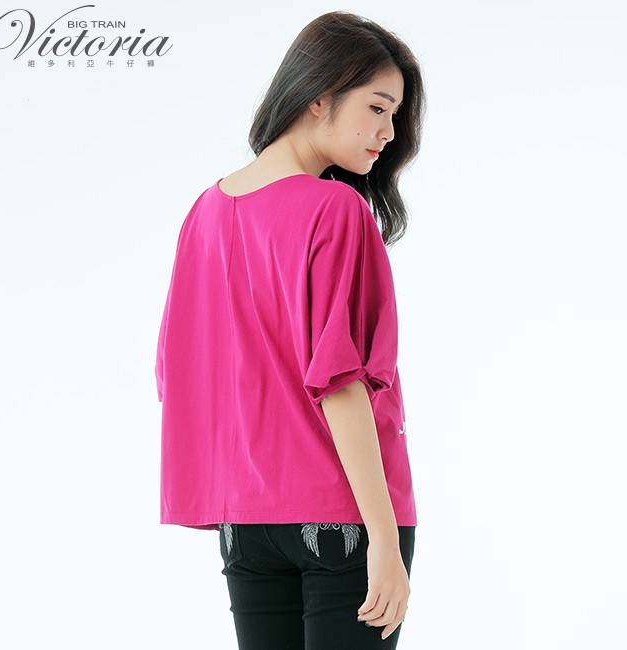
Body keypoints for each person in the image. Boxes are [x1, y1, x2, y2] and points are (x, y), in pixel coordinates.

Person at [154, 10, 426, 649]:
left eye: (395, 115)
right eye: (377, 108)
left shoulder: (206, 211)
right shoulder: (335, 208)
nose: (388, 132)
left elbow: (176, 371)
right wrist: (383, 538)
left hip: (245, 520)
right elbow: (340, 381)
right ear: (318, 97)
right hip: (344, 515)